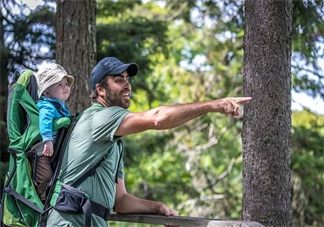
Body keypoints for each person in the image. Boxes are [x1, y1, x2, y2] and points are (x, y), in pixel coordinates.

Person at [46, 57, 252, 226]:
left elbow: (121, 201)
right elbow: (156, 118)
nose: (127, 85)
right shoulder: (100, 118)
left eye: (127, 78)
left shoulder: (113, 140)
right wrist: (214, 105)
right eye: (119, 80)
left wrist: (158, 207)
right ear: (100, 90)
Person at [34, 63, 74, 202]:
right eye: (59, 85)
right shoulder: (47, 106)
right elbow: (44, 122)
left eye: (66, 84)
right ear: (46, 92)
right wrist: (47, 140)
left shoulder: (58, 105)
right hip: (41, 151)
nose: (65, 87)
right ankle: (42, 202)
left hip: (51, 150)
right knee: (45, 177)